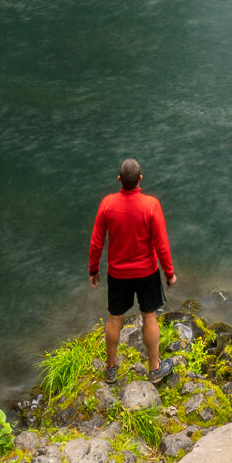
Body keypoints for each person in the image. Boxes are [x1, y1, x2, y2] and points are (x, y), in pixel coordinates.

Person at [89, 157, 177, 381]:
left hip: (117, 274)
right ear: (140, 179)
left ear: (119, 180)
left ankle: (110, 370)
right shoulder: (151, 205)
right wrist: (169, 272)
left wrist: (93, 269)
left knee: (115, 318)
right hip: (146, 272)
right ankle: (155, 369)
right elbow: (161, 243)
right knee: (150, 317)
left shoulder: (107, 204)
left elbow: (97, 241)